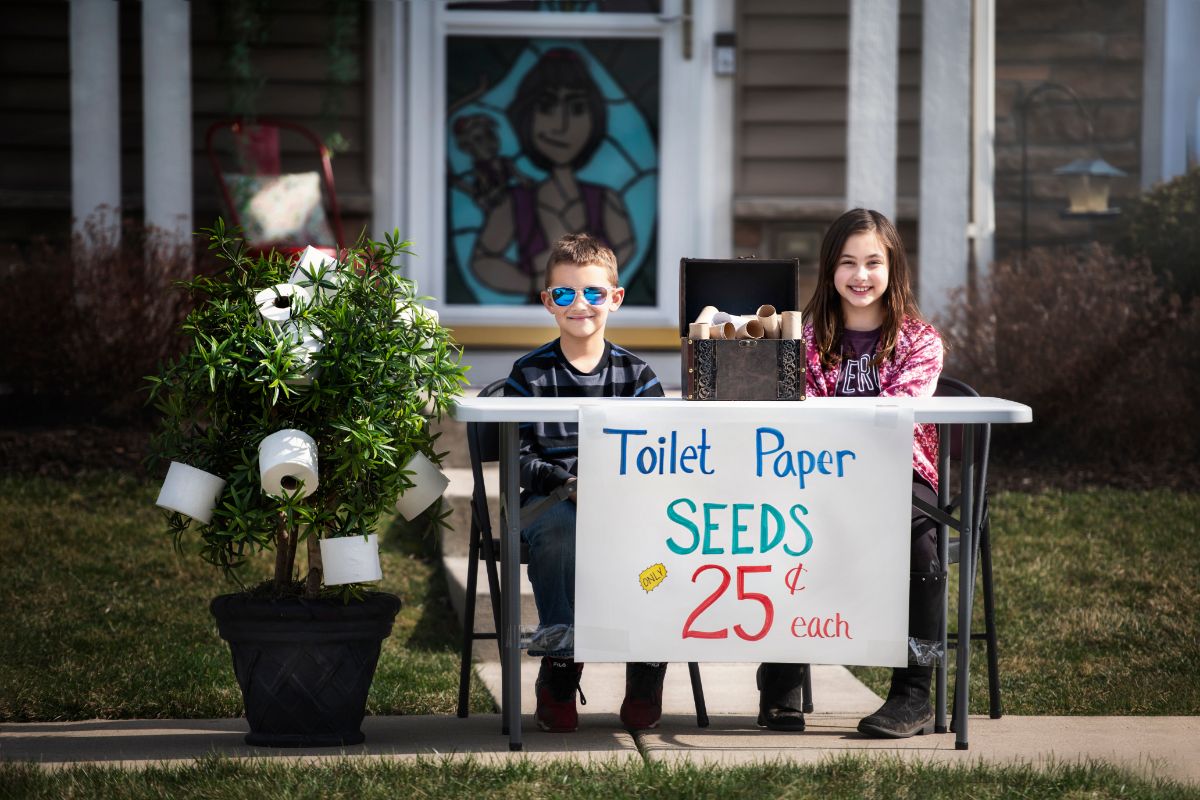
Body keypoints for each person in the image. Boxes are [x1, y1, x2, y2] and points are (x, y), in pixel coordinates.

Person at [756, 208, 945, 738]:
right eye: (847, 263)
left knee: (922, 540)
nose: (860, 276)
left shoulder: (920, 341)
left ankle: (914, 692)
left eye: (872, 263)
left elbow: (897, 411)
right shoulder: (804, 339)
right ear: (829, 269)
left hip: (898, 471)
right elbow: (798, 406)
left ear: (893, 269)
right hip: (811, 470)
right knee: (778, 524)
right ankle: (781, 679)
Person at [504, 232, 666, 733]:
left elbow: (658, 454)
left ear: (615, 299)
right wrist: (567, 481)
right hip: (549, 501)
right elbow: (518, 459)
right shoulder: (527, 375)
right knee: (559, 532)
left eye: (594, 293)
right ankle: (560, 660)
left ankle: (646, 658)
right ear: (547, 302)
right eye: (566, 293)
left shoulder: (637, 376)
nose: (581, 304)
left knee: (663, 540)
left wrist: (611, 485)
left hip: (622, 500)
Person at [471, 48, 635, 299]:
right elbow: (483, 260)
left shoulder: (604, 200)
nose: (562, 125)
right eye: (547, 107)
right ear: (526, 116)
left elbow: (626, 245)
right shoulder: (515, 203)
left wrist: (595, 284)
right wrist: (532, 283)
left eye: (577, 108)